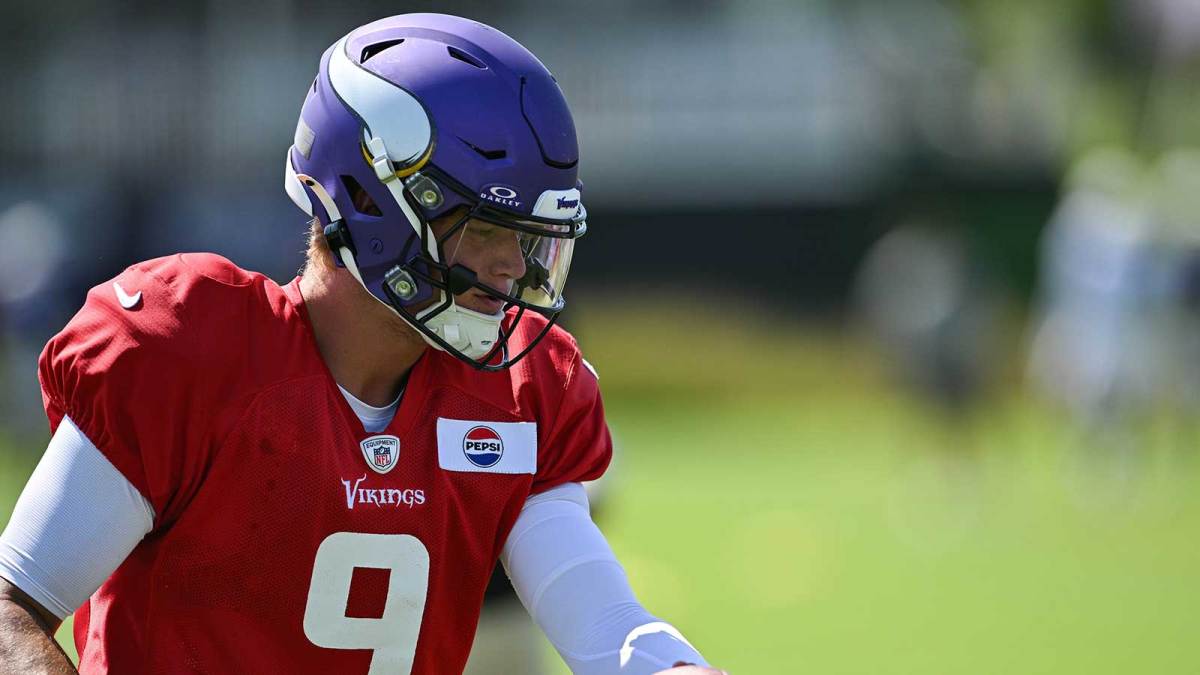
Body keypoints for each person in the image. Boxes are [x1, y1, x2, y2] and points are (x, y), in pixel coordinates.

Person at [0, 14, 724, 675]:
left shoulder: (520, 393)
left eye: (532, 239)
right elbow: (12, 607)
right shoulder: (187, 348)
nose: (513, 267)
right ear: (374, 201)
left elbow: (607, 629)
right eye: (488, 227)